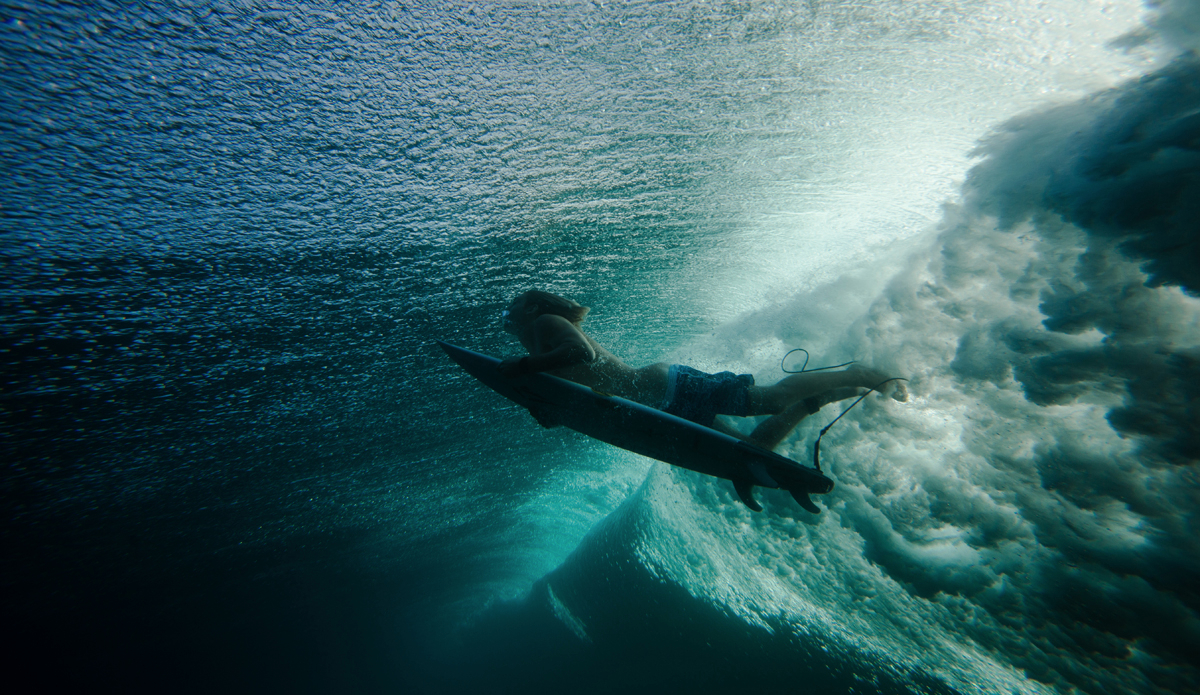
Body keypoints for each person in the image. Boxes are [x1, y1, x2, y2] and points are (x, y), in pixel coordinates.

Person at [497, 290, 907, 452]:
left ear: (531, 307)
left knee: (770, 399)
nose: (507, 315)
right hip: (659, 409)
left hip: (666, 388)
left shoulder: (543, 325)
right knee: (751, 452)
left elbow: (580, 355)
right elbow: (575, 390)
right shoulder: (533, 348)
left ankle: (858, 372)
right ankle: (816, 401)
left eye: (511, 307)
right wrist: (546, 409)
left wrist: (524, 367)